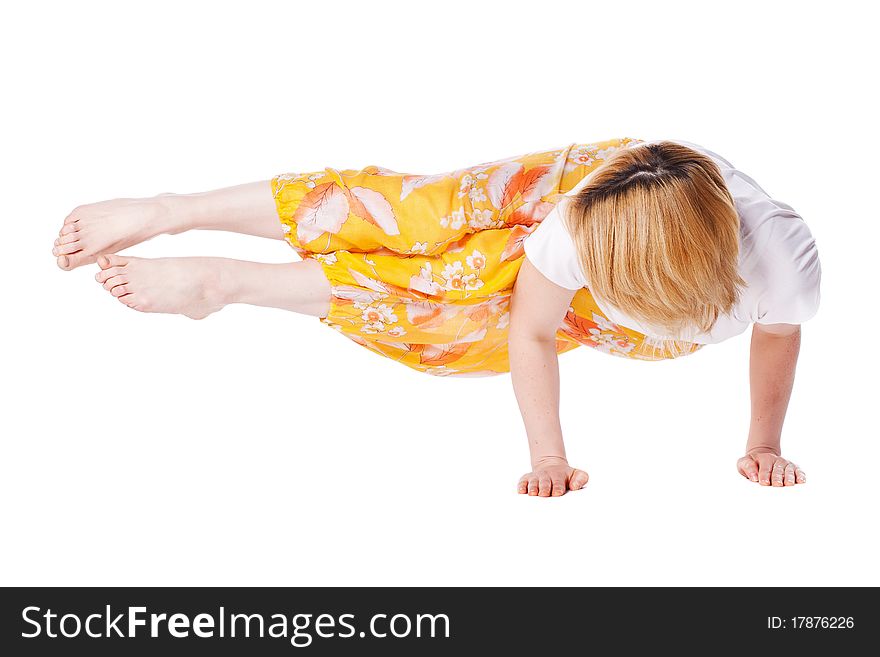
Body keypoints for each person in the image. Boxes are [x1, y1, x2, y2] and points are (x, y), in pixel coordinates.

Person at [52, 138, 821, 497]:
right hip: (620, 193)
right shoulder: (571, 230)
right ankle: (171, 211)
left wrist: (763, 443)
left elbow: (777, 336)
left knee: (457, 328)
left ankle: (226, 284)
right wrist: (550, 455)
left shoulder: (783, 259)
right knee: (420, 221)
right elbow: (533, 326)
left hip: (666, 248)